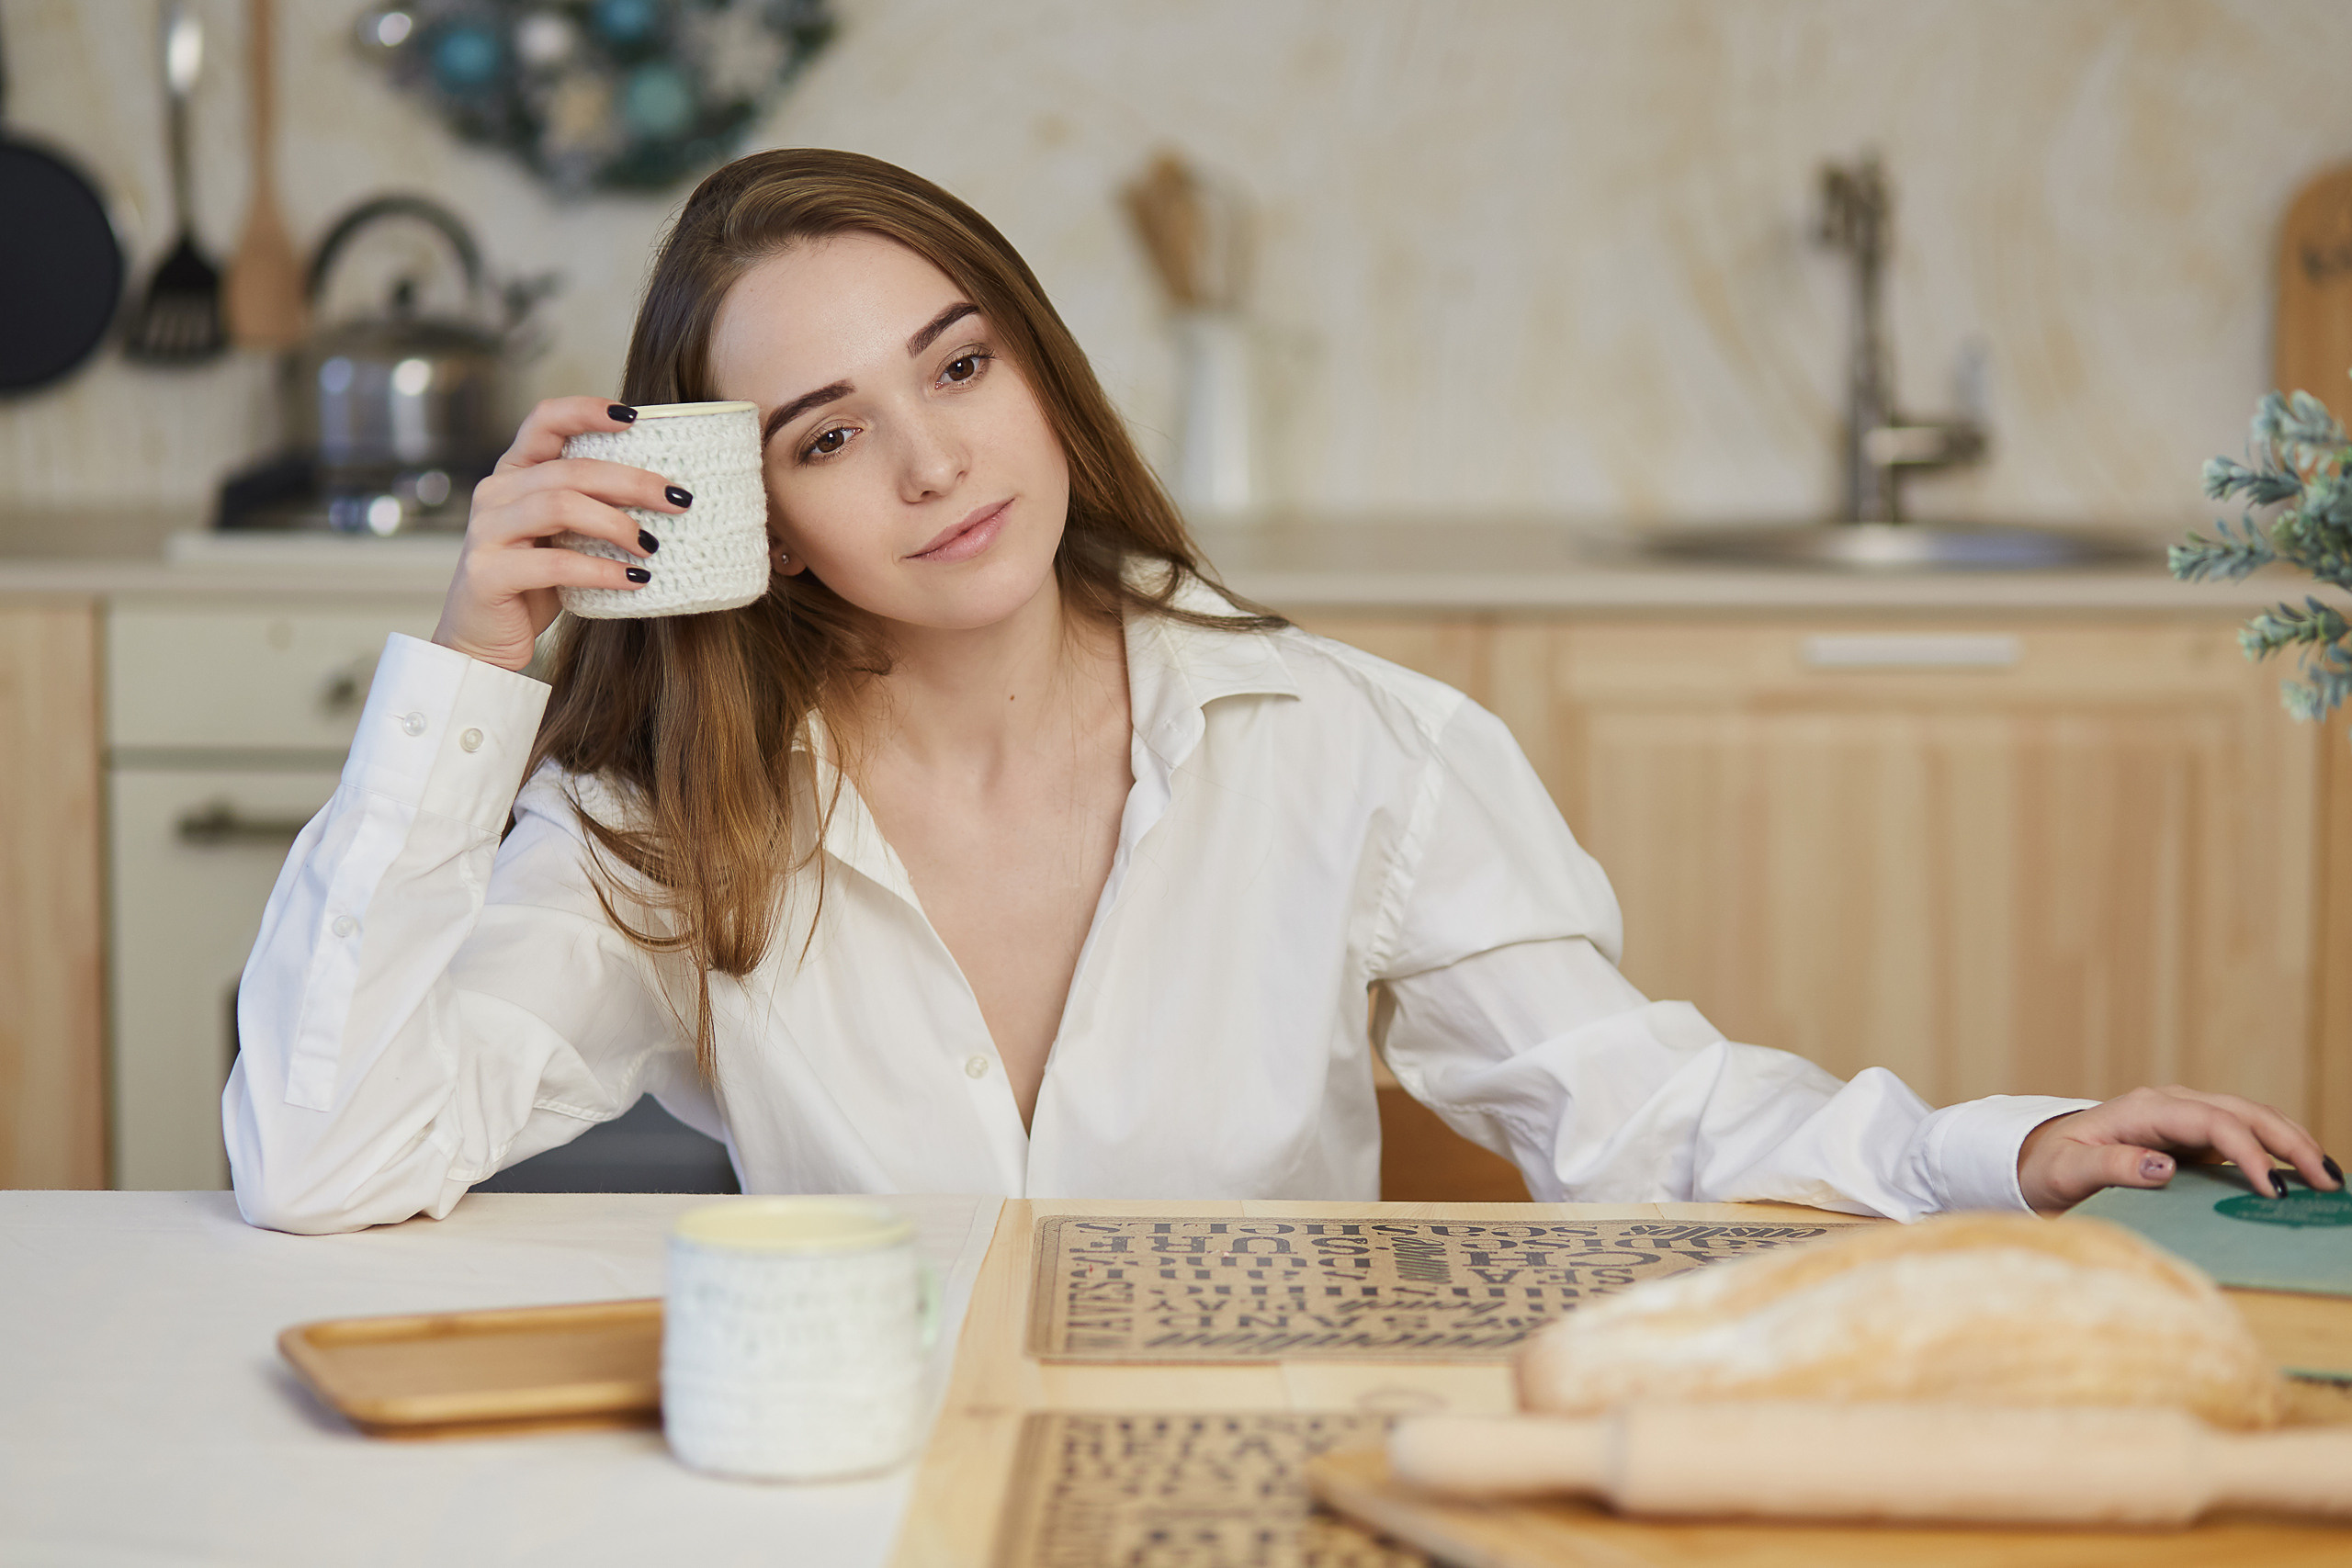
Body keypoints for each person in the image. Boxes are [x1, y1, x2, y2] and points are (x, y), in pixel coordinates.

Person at [223, 149, 2339, 1235]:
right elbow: (323, 1161)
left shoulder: (1349, 746)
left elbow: (1640, 1115)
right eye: (827, 429)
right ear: (753, 511)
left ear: (1040, 366)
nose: (939, 459)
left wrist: (2013, 1146)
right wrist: (475, 661)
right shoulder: (670, 821)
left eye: (960, 365)